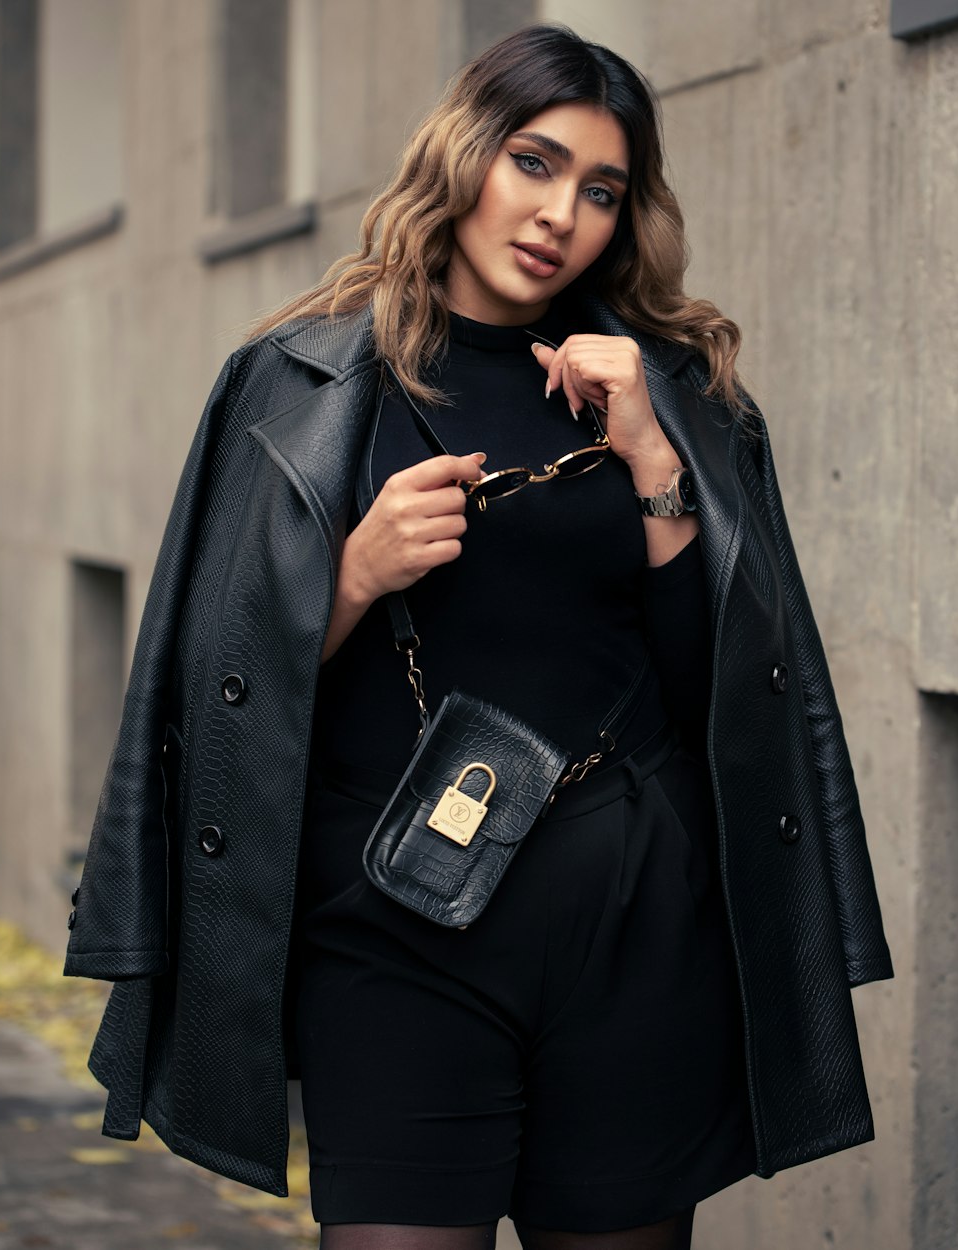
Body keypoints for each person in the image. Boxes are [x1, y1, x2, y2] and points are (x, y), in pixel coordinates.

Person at [64, 23, 893, 1250]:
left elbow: (733, 689)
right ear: (465, 157)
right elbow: (210, 679)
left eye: (599, 190)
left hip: (631, 927)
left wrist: (656, 463)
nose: (559, 212)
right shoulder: (293, 381)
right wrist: (349, 577)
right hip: (391, 925)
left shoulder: (677, 396)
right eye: (533, 162)